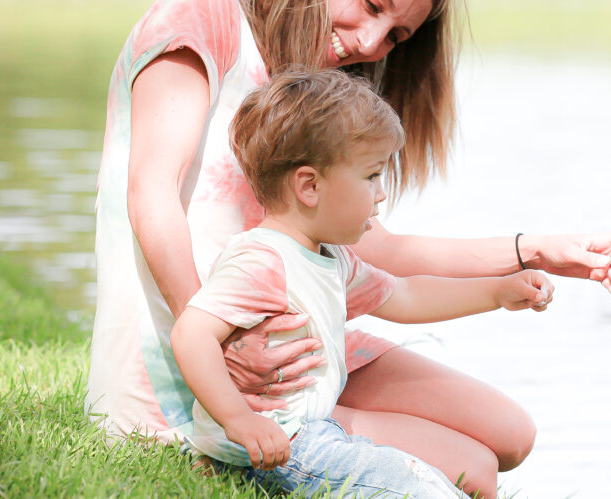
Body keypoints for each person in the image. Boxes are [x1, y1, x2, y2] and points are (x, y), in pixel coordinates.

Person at [86, 0, 611, 488]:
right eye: (372, 5)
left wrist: (534, 251)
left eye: (396, 35)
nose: (370, 42)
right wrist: (223, 346)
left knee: (509, 435)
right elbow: (152, 192)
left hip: (293, 348)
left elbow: (385, 255)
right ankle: (318, 433)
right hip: (197, 363)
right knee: (477, 469)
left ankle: (334, 422)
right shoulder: (206, 9)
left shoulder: (305, 93)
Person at [172, 68, 554, 499]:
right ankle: (224, 465)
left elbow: (404, 295)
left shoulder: (330, 257)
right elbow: (191, 332)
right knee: (420, 487)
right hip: (283, 444)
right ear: (310, 186)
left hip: (312, 428)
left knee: (442, 480)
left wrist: (498, 292)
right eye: (371, 176)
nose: (381, 194)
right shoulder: (263, 260)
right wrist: (238, 419)